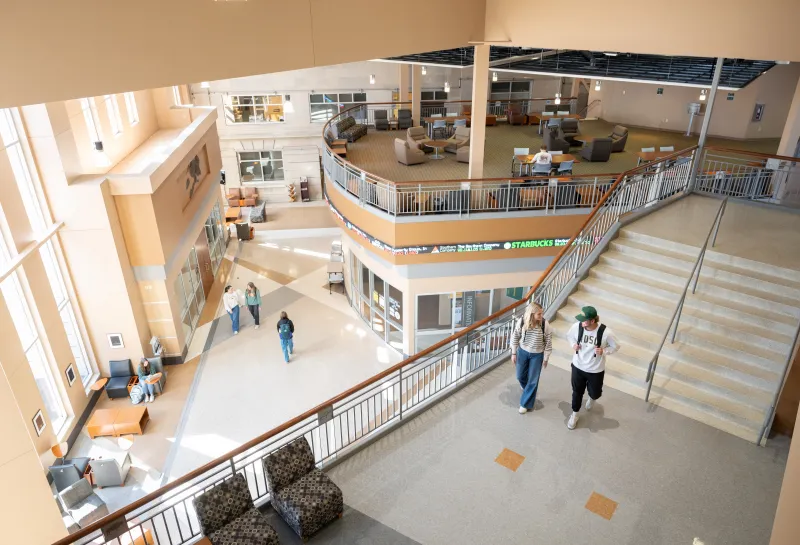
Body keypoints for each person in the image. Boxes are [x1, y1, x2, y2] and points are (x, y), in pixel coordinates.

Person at [565, 306, 620, 430]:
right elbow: (569, 336)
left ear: (592, 321)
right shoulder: (577, 326)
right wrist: (573, 345)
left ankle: (592, 398)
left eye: (584, 320)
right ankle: (574, 414)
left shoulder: (606, 332)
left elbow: (616, 346)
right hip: (578, 365)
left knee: (595, 392)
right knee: (576, 392)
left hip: (595, 370)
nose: (581, 322)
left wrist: (604, 351)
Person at [510, 302, 552, 414]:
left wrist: (546, 358)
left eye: (541, 313)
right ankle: (528, 390)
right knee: (520, 376)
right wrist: (513, 353)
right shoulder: (522, 321)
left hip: (537, 355)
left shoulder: (545, 324)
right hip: (522, 352)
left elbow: (548, 343)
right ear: (532, 314)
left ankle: (525, 404)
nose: (541, 316)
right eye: (539, 314)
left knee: (533, 380)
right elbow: (515, 336)